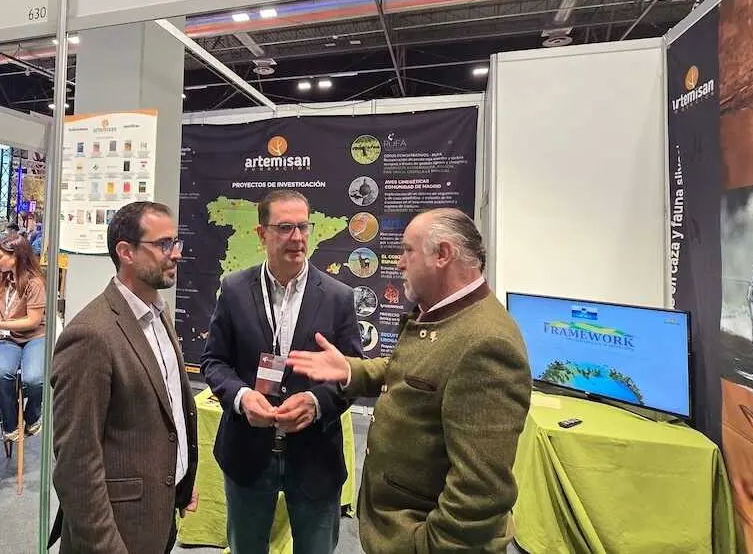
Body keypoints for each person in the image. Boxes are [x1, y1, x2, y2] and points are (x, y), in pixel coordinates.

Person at [287, 209, 532, 554]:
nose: (399, 263)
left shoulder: (487, 344)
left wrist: (423, 546)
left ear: (442, 255)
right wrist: (350, 371)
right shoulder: (442, 315)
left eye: (408, 251)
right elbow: (412, 372)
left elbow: (481, 492)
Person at [201, 190, 362, 554]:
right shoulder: (234, 289)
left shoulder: (338, 298)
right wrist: (241, 397)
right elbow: (214, 361)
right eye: (285, 227)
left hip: (315, 457)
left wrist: (317, 403)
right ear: (262, 234)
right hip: (247, 453)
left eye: (303, 227)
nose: (297, 238)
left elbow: (353, 374)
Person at [50, 201, 198, 554]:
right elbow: (76, 462)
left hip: (155, 515)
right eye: (164, 244)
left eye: (176, 243)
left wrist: (182, 475)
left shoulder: (158, 314)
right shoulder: (91, 335)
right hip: (114, 532)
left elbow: (166, 411)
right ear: (126, 252)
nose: (175, 254)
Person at [0, 234, 46, 442]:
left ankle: (33, 416)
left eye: (0, 256)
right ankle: (10, 424)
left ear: (15, 256)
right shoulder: (2, 279)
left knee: (34, 379)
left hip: (35, 337)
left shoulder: (35, 283)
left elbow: (32, 321)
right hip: (7, 338)